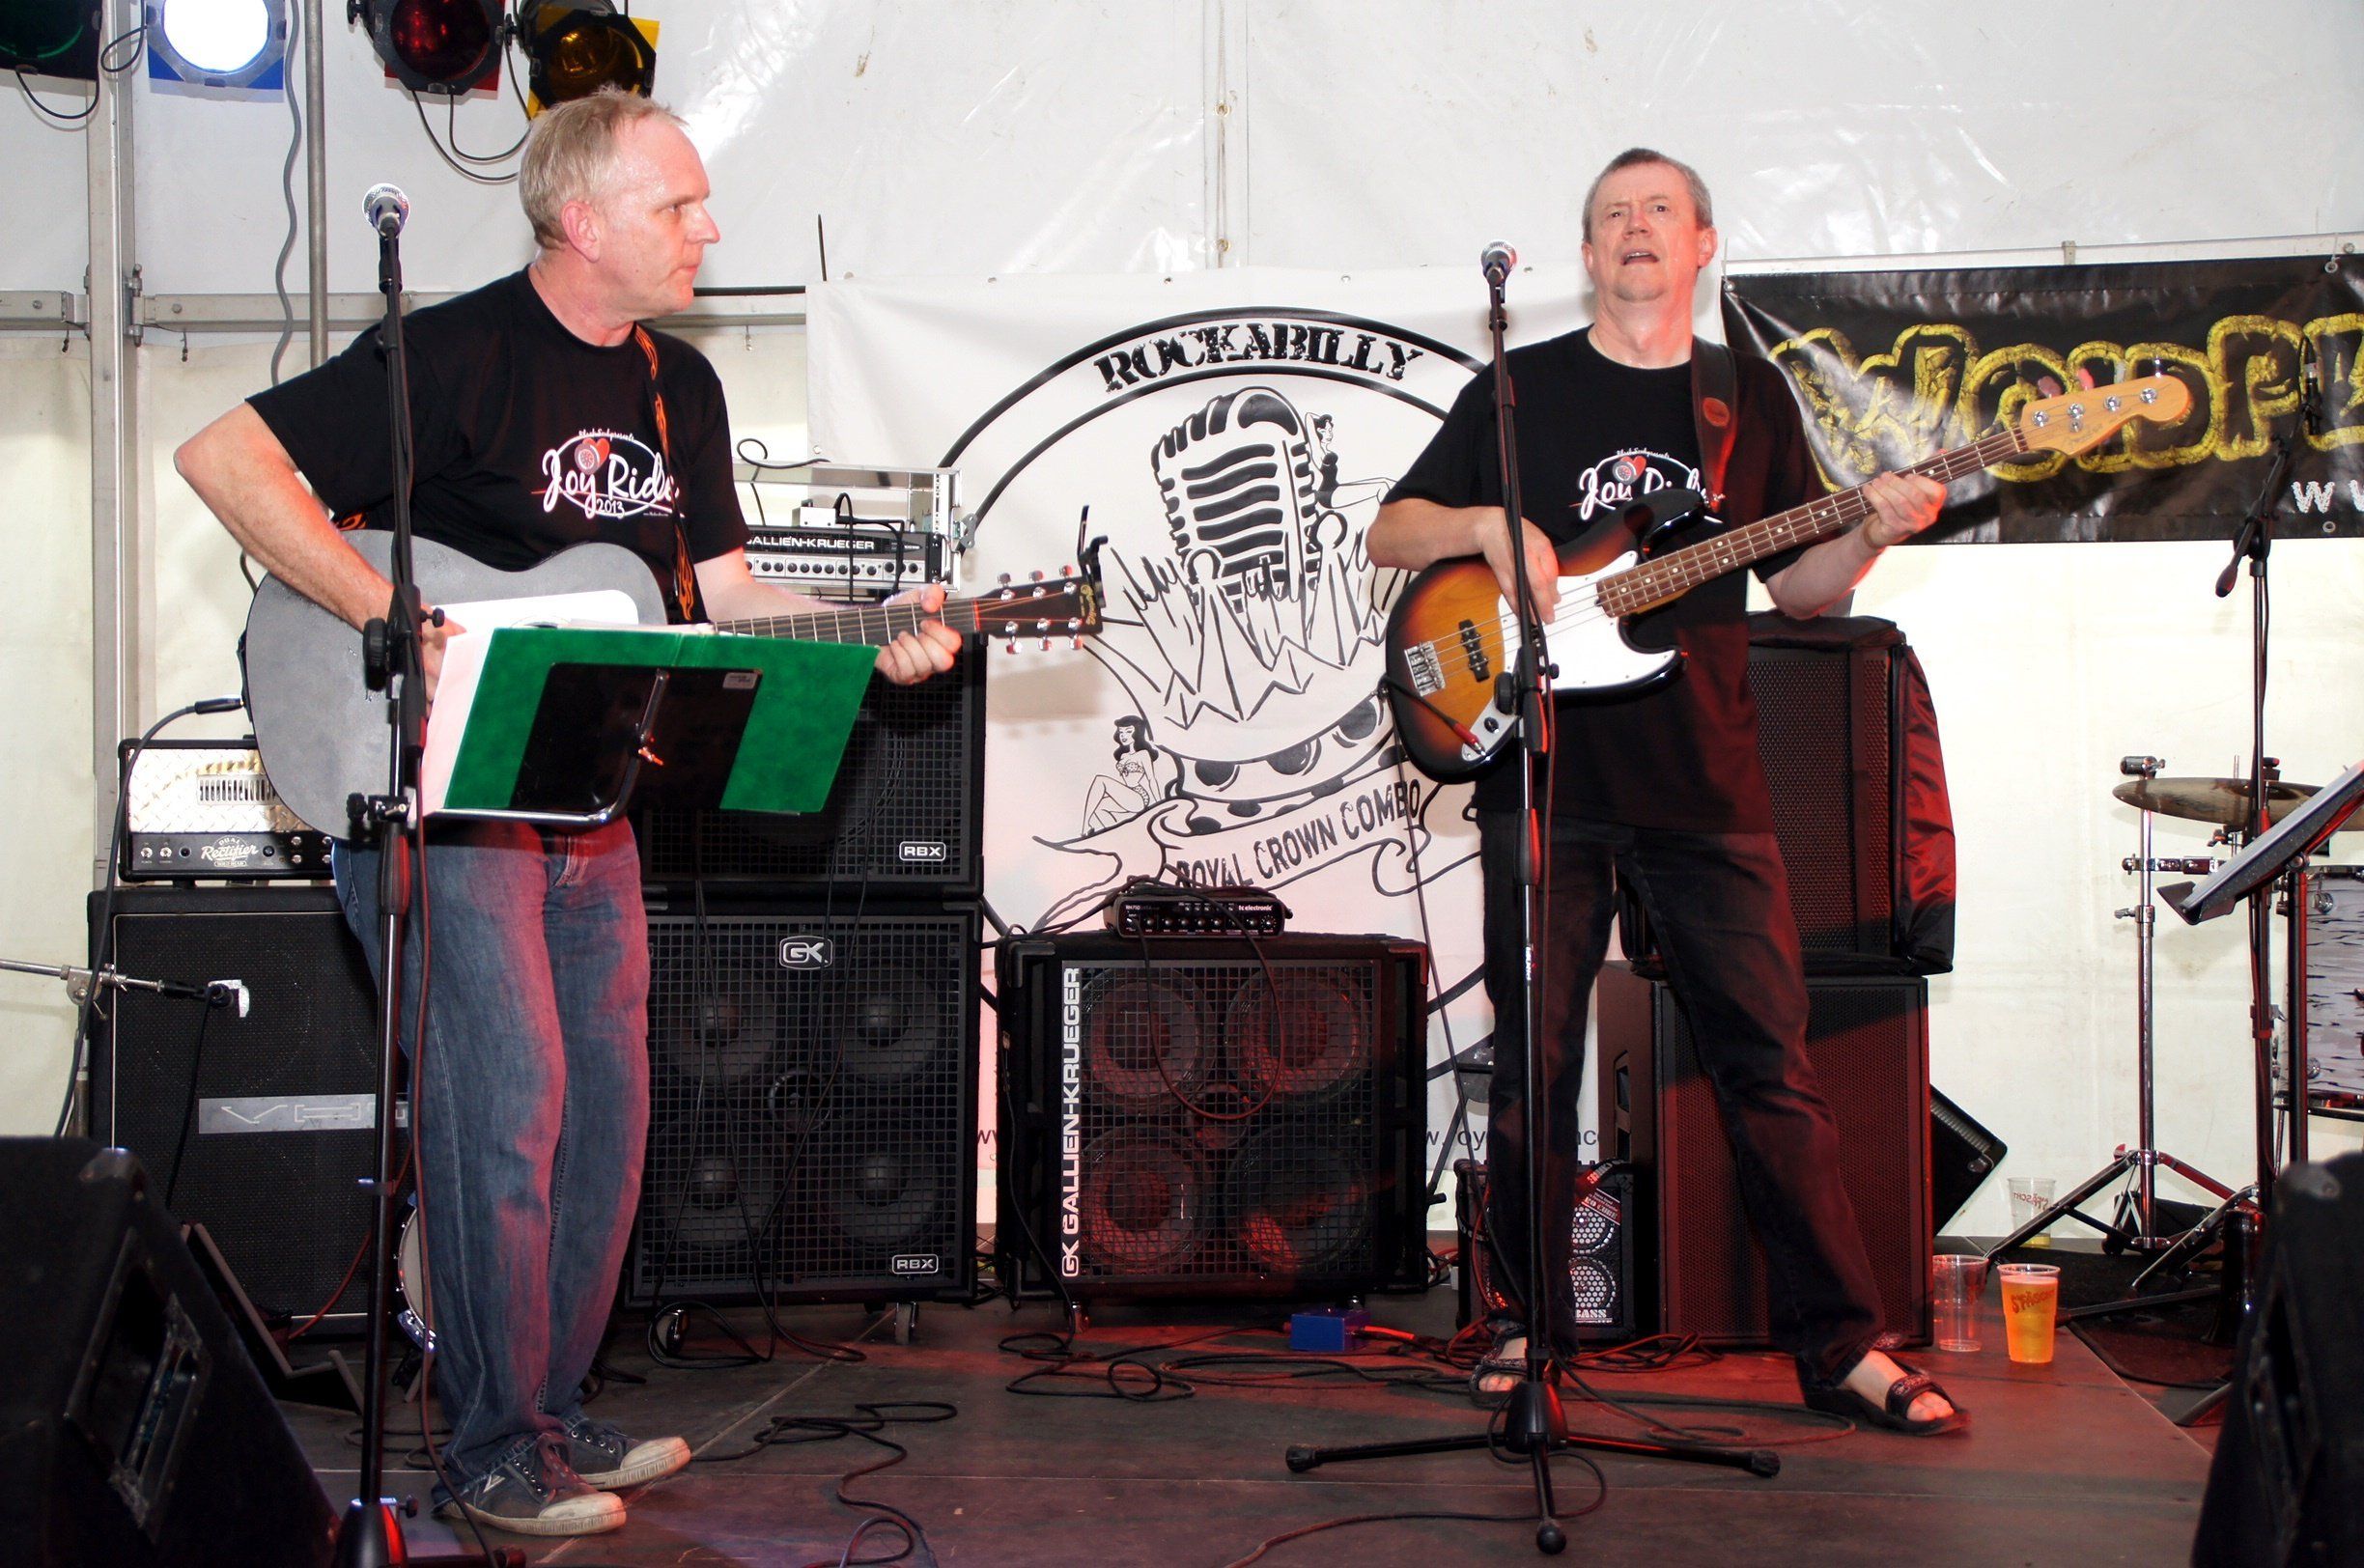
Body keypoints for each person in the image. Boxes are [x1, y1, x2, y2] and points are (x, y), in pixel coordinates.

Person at [175, 91, 962, 1535]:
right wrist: (390, 613)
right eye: (678, 205)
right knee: (505, 1103)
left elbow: (727, 596)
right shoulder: (452, 352)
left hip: (586, 798)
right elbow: (225, 459)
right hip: (442, 794)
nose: (708, 229)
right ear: (582, 220)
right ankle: (486, 1449)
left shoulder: (681, 388)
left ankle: (546, 1411)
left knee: (607, 1103)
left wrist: (876, 629)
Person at [1368, 148, 1964, 1435]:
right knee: (1534, 1071)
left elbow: (1801, 590)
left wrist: (1869, 530)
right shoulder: (1519, 389)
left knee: (1773, 1069)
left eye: (1658, 211)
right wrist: (1484, 528)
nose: (1634, 228)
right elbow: (1391, 530)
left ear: (1702, 244)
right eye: (1611, 216)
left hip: (1708, 782)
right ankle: (1525, 1327)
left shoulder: (1743, 396)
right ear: (1588, 254)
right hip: (1547, 774)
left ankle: (1844, 1347)